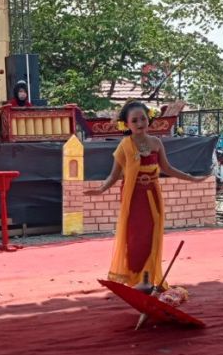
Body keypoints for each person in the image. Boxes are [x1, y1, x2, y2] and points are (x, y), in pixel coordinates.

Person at [85, 101, 209, 287]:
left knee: (152, 236)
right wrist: (101, 189)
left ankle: (147, 279)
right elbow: (115, 174)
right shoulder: (124, 147)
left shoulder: (156, 143)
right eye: (134, 120)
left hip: (153, 197)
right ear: (126, 124)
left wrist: (191, 178)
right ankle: (136, 278)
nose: (140, 123)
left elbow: (167, 168)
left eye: (143, 118)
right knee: (135, 238)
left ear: (148, 119)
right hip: (134, 199)